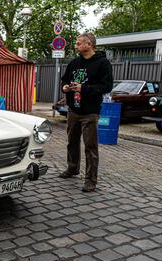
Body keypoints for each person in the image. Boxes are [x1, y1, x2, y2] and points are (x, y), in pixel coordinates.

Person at [60, 32, 114, 193]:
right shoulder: (74, 62)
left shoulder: (102, 63)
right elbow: (65, 79)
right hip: (73, 110)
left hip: (90, 112)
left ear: (89, 44)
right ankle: (72, 168)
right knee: (72, 142)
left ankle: (90, 180)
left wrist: (84, 88)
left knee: (90, 146)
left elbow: (107, 87)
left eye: (78, 43)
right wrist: (65, 87)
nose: (76, 46)